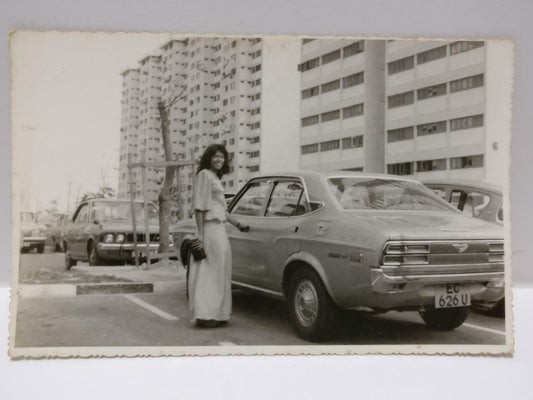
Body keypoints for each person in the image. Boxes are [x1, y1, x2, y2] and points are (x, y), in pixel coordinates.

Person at [188, 144, 249, 328]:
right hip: (209, 229)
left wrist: (238, 224)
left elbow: (222, 209)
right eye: (215, 156)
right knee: (209, 271)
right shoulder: (204, 175)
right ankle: (205, 315)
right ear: (209, 158)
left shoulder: (216, 177)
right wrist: (199, 233)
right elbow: (199, 207)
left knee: (220, 270)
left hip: (219, 228)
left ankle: (218, 313)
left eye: (222, 157)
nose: (219, 160)